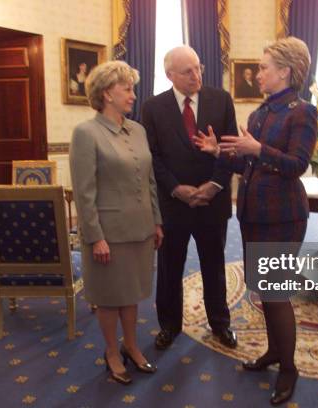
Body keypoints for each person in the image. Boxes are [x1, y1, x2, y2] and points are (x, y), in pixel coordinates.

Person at [193, 36, 317, 406]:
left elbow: (297, 165)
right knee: (264, 290)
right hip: (253, 214)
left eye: (264, 67)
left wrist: (258, 149)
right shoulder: (260, 113)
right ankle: (273, 352)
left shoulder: (302, 111)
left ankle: (289, 369)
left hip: (283, 216)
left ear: (285, 71)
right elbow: (249, 164)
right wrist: (221, 152)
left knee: (276, 294)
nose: (257, 73)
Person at [69, 60, 164, 385]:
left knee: (132, 293)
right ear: (108, 93)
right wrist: (95, 237)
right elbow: (84, 192)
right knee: (110, 296)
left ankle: (132, 346)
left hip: (140, 230)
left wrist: (157, 222)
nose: (133, 96)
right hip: (108, 234)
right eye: (128, 89)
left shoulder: (137, 129)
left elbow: (150, 180)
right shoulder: (86, 133)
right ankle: (111, 351)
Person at [141, 46, 238, 350]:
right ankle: (169, 326)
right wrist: (175, 188)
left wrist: (215, 185)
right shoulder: (152, 108)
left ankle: (220, 324)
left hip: (213, 202)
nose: (196, 75)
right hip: (174, 205)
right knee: (170, 268)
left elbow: (231, 149)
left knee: (214, 266)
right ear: (170, 75)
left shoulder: (221, 100)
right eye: (187, 71)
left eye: (199, 68)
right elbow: (152, 157)